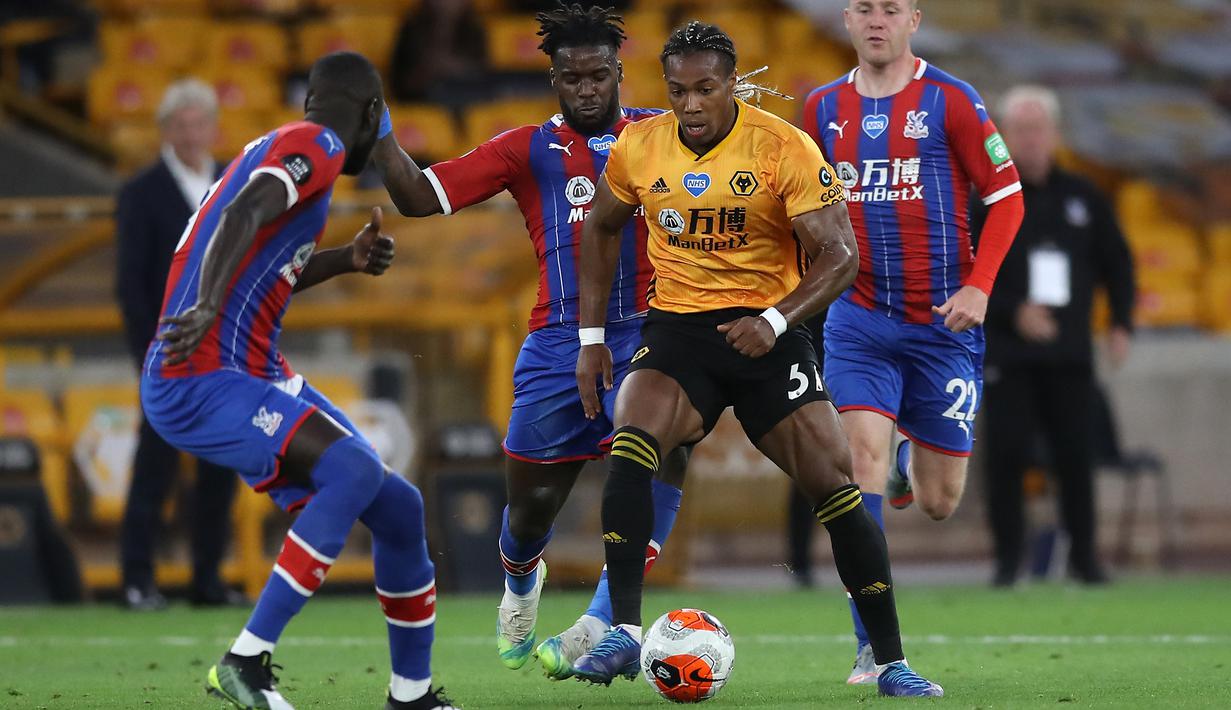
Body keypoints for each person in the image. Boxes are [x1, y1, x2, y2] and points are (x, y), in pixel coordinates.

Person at [571, 20, 942, 697]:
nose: (690, 105)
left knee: (836, 488)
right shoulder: (638, 146)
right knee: (631, 440)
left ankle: (890, 662)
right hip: (680, 330)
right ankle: (622, 630)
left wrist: (773, 321)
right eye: (677, 91)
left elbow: (841, 256)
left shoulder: (781, 147)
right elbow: (599, 227)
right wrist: (590, 340)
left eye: (705, 89)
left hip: (770, 332)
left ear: (731, 85)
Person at [373, 2, 689, 680]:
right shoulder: (526, 148)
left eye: (598, 76)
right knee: (529, 510)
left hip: (650, 331)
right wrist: (379, 131)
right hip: (557, 343)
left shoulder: (660, 135)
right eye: (572, 78)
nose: (586, 90)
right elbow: (418, 197)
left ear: (619, 73)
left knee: (664, 453)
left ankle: (603, 623)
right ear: (554, 80)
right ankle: (520, 581)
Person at [141, 52, 456, 710]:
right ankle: (244, 662)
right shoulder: (320, 145)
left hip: (249, 370)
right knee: (352, 471)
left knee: (400, 509)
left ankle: (411, 695)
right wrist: (207, 303)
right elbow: (242, 215)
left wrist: (345, 260)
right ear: (372, 112)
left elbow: (269, 260)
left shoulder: (287, 145)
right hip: (199, 374)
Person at [801, 0, 1024, 684]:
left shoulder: (951, 99)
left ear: (913, 20)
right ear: (847, 19)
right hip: (858, 319)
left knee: (938, 501)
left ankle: (908, 461)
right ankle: (872, 646)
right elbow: (800, 207)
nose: (877, 20)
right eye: (864, 8)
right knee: (857, 461)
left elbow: (1007, 197)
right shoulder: (820, 109)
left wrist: (980, 288)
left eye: (890, 8)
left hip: (942, 325)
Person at [978, 85, 1135, 587]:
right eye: (1020, 129)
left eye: (1038, 128)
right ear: (1003, 135)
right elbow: (961, 271)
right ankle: (1008, 561)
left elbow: (1118, 263)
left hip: (1069, 354)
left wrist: (1121, 322)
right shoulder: (986, 199)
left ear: (1055, 133)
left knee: (1075, 456)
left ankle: (1085, 560)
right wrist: (1012, 312)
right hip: (1008, 356)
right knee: (1005, 458)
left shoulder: (1084, 196)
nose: (1030, 138)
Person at [114, 78, 244, 611]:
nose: (192, 134)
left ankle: (207, 579)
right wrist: (150, 354)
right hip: (166, 356)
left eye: (199, 123)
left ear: (213, 127)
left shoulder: (235, 183)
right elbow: (131, 285)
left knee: (220, 468)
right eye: (181, 125)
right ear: (165, 130)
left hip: (224, 354)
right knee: (155, 469)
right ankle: (137, 580)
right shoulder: (141, 194)